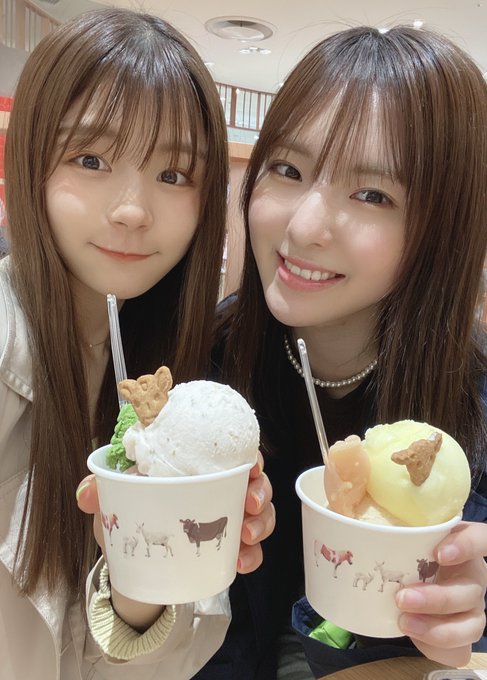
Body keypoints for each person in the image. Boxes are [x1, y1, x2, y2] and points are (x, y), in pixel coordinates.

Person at [0, 8, 273, 679]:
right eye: (90, 159)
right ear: (30, 162)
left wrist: (143, 574)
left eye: (173, 175)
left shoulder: (174, 378)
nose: (132, 210)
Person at [215, 24, 487, 678]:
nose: (304, 226)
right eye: (287, 169)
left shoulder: (471, 409)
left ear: (443, 231)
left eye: (372, 195)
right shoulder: (202, 370)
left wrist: (457, 633)